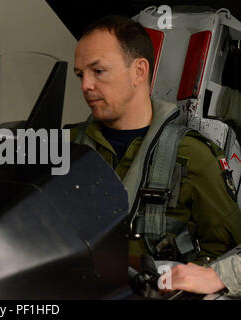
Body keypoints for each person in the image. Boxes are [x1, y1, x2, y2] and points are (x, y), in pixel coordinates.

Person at [70, 15, 241, 296]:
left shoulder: (192, 156)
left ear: (139, 71)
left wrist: (194, 279)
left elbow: (230, 252)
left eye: (98, 71)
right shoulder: (64, 147)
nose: (85, 85)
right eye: (80, 74)